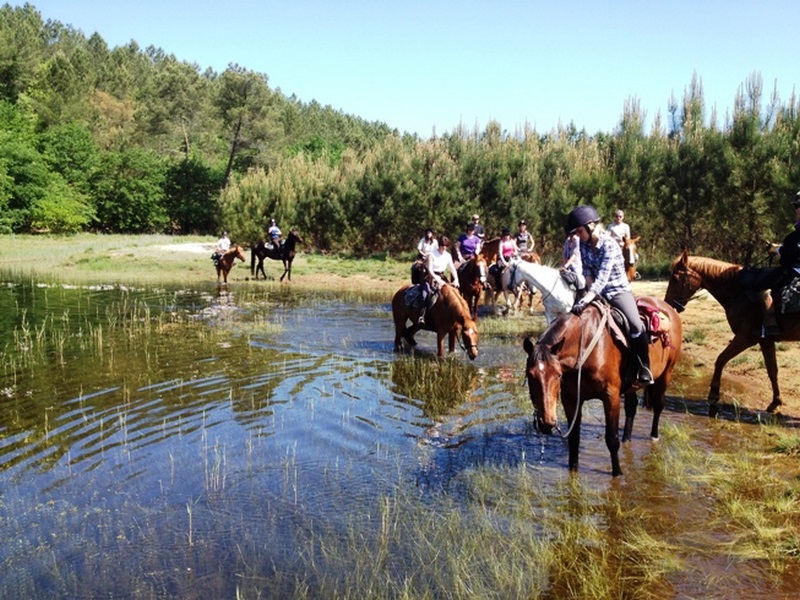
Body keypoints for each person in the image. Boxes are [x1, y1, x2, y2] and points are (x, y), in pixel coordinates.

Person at [566, 205, 653, 387]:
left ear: (591, 226)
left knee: (636, 324)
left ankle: (644, 367)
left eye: (580, 231)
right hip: (595, 291)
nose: (578, 235)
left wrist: (588, 297)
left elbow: (603, 277)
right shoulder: (582, 244)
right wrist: (589, 294)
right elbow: (588, 271)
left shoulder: (610, 245)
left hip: (617, 291)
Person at [748, 192, 800, 337]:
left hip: (795, 270)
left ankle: (770, 325)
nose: (796, 209)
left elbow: (797, 250)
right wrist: (780, 247)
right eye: (796, 206)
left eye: (797, 206)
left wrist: (777, 249)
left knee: (759, 285)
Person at [417, 237, 459, 324]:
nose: (444, 248)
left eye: (446, 246)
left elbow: (452, 268)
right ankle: (422, 316)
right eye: (442, 246)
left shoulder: (448, 255)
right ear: (439, 245)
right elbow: (430, 270)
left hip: (442, 276)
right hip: (430, 277)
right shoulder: (431, 255)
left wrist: (456, 279)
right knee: (425, 294)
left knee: (454, 293)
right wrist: (437, 279)